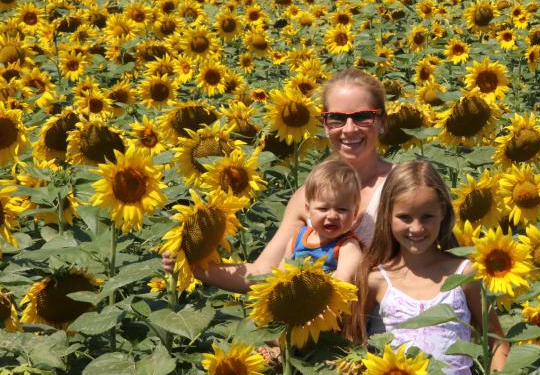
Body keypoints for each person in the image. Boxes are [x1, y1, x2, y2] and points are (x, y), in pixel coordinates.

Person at [163, 67, 394, 290]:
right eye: (336, 118)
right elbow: (264, 272)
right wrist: (192, 267)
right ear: (324, 124)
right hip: (317, 326)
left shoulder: (401, 186)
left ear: (382, 121)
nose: (349, 129)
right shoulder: (305, 195)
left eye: (363, 117)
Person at [350, 160, 509, 375]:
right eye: (405, 217)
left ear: (442, 212)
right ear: (387, 214)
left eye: (427, 217)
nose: (416, 228)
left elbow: (497, 341)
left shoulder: (464, 274)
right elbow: (355, 345)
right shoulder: (375, 280)